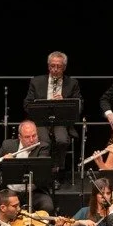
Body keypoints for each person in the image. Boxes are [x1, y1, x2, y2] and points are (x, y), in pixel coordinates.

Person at [22, 51, 81, 179]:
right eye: (52, 66)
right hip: (41, 120)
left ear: (64, 68)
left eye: (59, 66)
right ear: (48, 66)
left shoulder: (72, 83)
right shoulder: (36, 81)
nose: (55, 69)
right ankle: (44, 173)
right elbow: (27, 103)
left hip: (61, 120)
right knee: (44, 142)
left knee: (61, 140)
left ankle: (56, 171)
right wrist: (40, 107)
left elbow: (79, 106)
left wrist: (65, 102)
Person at [0, 120, 57, 215]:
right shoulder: (8, 145)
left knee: (48, 206)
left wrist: (11, 163)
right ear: (20, 137)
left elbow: (39, 167)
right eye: (27, 137)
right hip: (10, 192)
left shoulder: (43, 147)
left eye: (34, 136)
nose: (32, 140)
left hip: (33, 191)